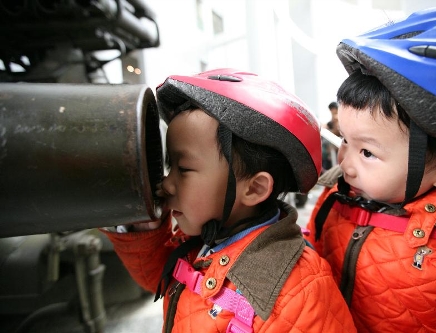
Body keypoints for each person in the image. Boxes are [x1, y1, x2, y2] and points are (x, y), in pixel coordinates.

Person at [102, 68, 356, 332]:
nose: (166, 183)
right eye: (169, 166)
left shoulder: (299, 292)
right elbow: (158, 278)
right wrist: (145, 232)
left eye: (184, 169)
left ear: (255, 189)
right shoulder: (202, 240)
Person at [305, 7, 436, 333]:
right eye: (343, 140)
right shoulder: (336, 196)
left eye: (367, 151)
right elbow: (312, 251)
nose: (344, 164)